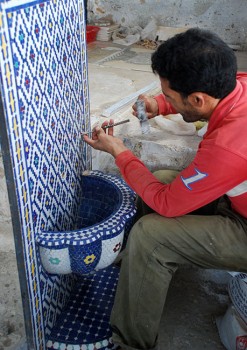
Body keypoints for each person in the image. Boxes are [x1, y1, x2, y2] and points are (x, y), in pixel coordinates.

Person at [84, 27, 247, 350]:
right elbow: (199, 102)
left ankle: (130, 343)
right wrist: (161, 104)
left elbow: (168, 205)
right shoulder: (238, 84)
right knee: (164, 178)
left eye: (171, 96)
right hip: (238, 200)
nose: (168, 99)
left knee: (151, 235)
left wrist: (120, 152)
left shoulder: (230, 146)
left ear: (197, 98)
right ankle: (140, 272)